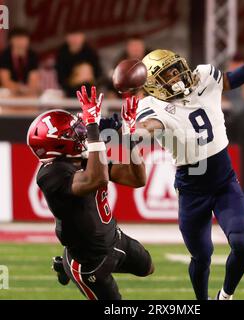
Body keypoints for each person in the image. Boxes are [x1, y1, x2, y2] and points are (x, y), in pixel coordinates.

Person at [123, 14, 244, 300]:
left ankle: (225, 296)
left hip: (224, 182)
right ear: (153, 86)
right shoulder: (153, 107)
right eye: (168, 75)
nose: (177, 76)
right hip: (192, 189)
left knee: (242, 245)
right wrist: (129, 131)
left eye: (176, 69)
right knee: (202, 256)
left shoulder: (204, 79)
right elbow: (147, 128)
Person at [27, 86, 154, 300]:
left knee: (148, 268)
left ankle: (63, 265)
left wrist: (130, 137)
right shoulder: (51, 175)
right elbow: (97, 178)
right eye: (72, 132)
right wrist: (94, 128)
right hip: (88, 262)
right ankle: (68, 266)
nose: (81, 132)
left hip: (115, 238)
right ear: (58, 145)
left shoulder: (83, 157)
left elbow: (137, 179)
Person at [56, 30, 103, 97]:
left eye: (77, 34)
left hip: (89, 94)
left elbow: (98, 76)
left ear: (83, 36)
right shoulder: (62, 54)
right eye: (72, 35)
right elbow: (61, 80)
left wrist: (87, 75)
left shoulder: (90, 53)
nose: (75, 39)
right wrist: (76, 78)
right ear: (66, 37)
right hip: (70, 94)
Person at [0, 27, 40, 96]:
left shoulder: (32, 55)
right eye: (18, 39)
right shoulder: (5, 56)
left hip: (28, 90)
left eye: (23, 39)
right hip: (8, 91)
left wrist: (28, 90)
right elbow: (5, 80)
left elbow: (34, 78)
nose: (21, 42)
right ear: (11, 40)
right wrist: (19, 88)